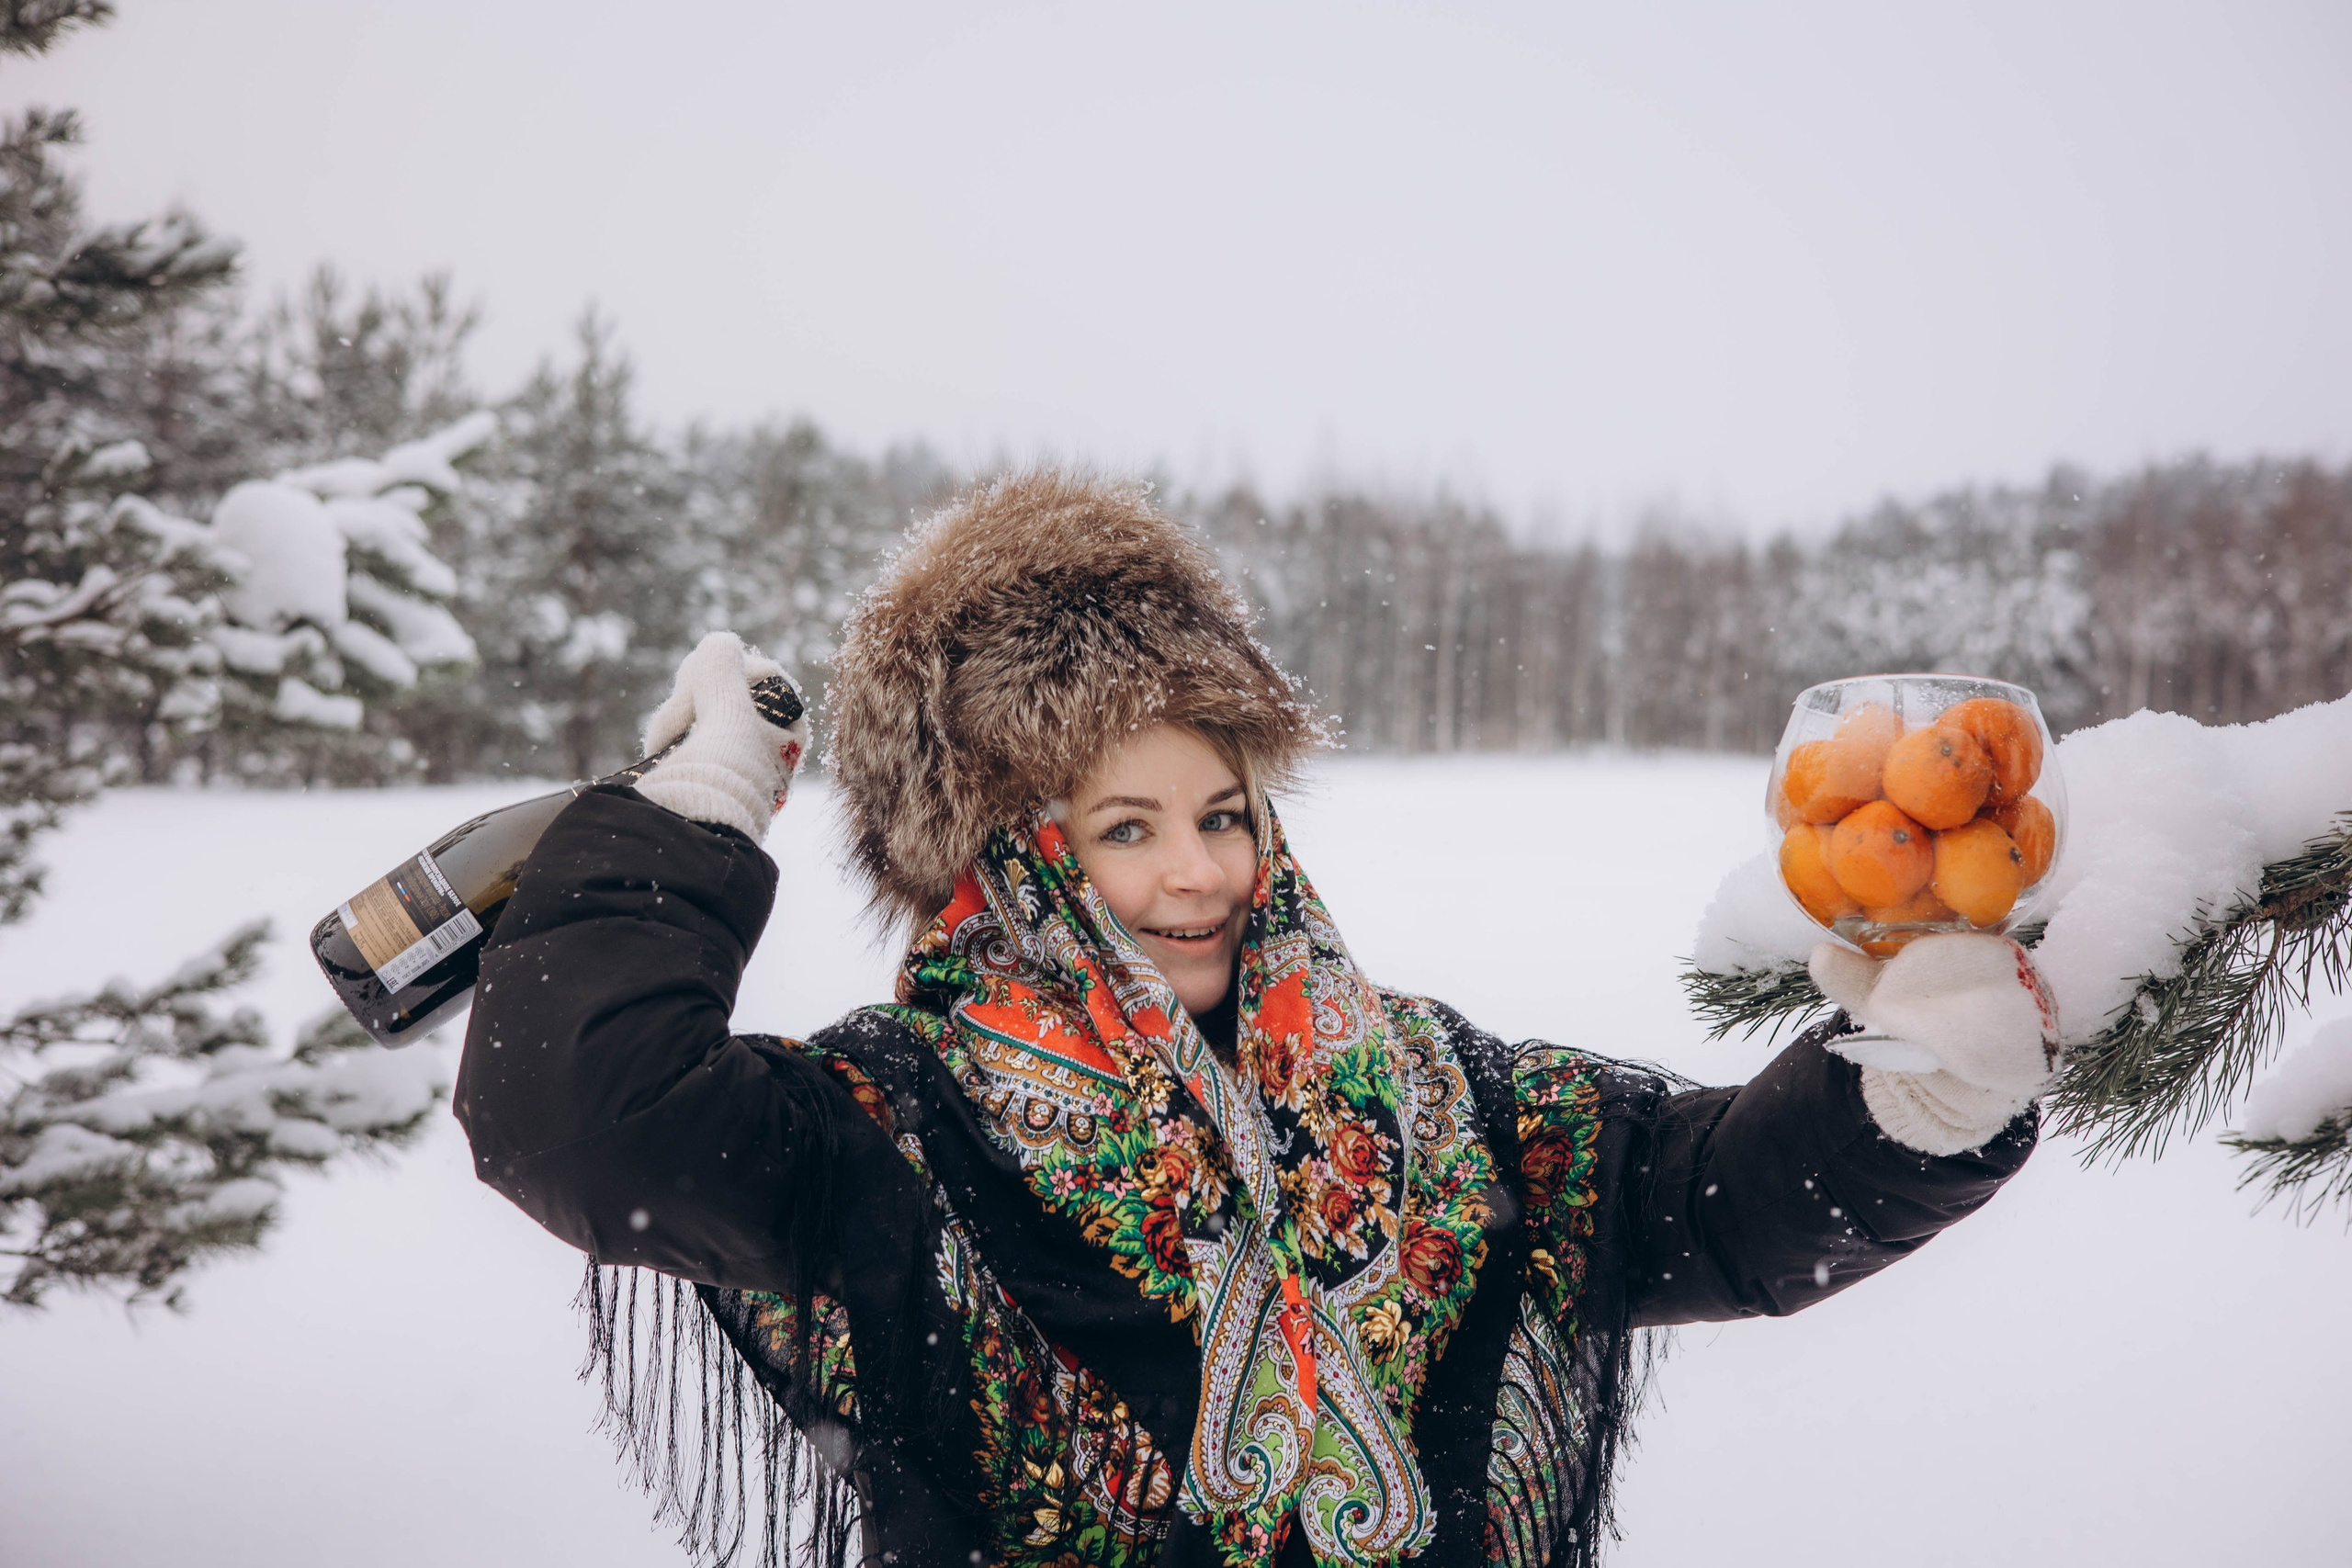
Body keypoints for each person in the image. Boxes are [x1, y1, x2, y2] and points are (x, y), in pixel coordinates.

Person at [453, 472, 2060, 1568]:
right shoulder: (889, 1131)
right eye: (1123, 828)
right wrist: (690, 818)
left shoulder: (1422, 1085)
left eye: (1222, 810)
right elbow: (589, 1125)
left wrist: (1906, 1100)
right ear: (1010, 856)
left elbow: (1694, 1206)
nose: (1201, 872)